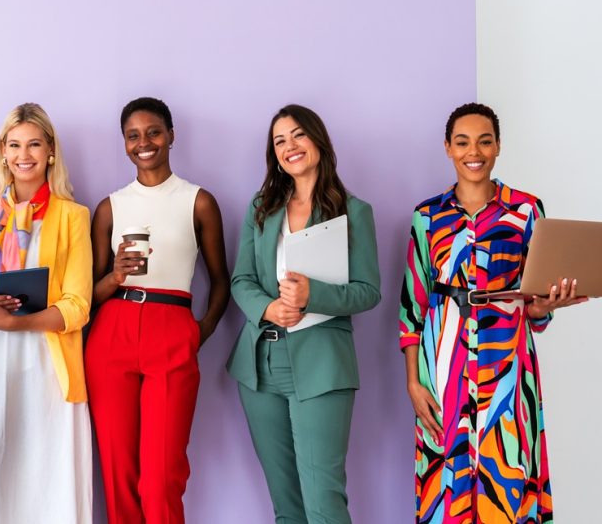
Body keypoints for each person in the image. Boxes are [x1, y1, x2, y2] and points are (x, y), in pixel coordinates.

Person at [399, 103, 587, 523]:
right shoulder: (427, 216)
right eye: (463, 141)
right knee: (446, 468)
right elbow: (412, 306)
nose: (474, 151)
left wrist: (546, 306)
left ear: (498, 146)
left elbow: (535, 308)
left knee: (507, 466)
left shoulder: (526, 210)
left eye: (485, 141)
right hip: (443, 365)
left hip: (507, 361)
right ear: (448, 148)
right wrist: (413, 381)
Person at [229, 104, 380, 523]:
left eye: (298, 135)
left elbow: (368, 292)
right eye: (279, 141)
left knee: (323, 502)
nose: (290, 146)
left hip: (321, 366)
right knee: (286, 507)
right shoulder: (261, 208)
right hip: (260, 367)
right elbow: (241, 280)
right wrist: (269, 308)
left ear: (318, 139)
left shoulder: (353, 211)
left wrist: (313, 294)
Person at [0, 103, 93, 524]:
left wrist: (18, 322)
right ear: (3, 152)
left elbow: (78, 305)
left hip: (47, 362)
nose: (23, 154)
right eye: (14, 144)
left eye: (34, 144)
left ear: (51, 152)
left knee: (44, 475)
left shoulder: (73, 216)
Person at [86, 96, 230, 524]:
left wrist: (197, 332)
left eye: (153, 132)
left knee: (162, 476)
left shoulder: (198, 201)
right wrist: (114, 276)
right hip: (113, 331)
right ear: (124, 144)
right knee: (118, 472)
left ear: (171, 136)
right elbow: (88, 293)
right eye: (133, 136)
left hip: (172, 326)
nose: (143, 142)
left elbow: (221, 279)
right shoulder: (110, 207)